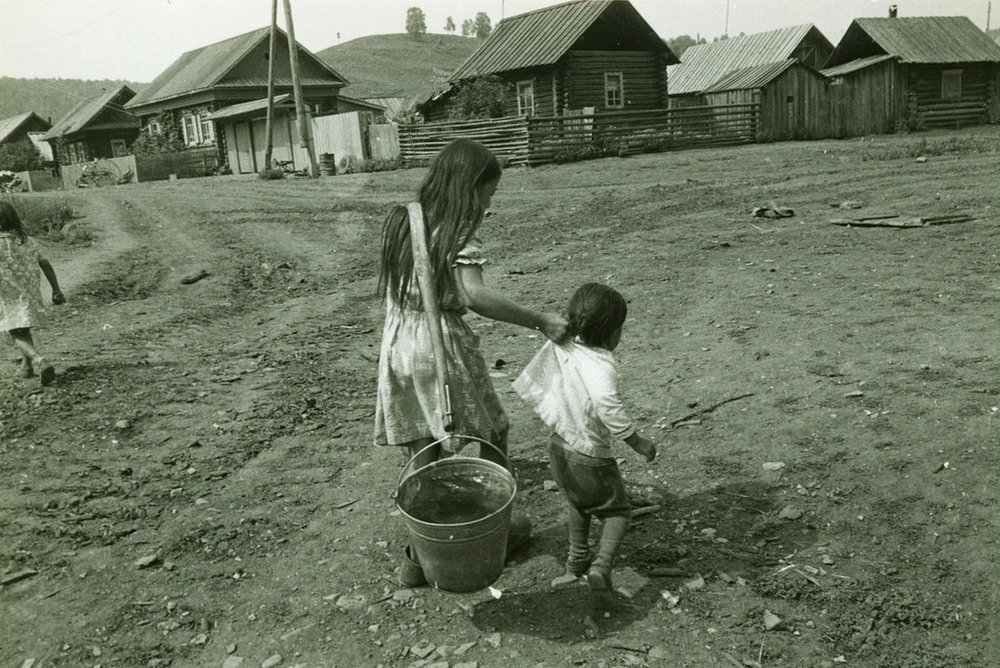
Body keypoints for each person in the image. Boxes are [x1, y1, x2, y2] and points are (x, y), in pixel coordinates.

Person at [374, 139, 568, 586]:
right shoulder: (457, 231)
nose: (488, 203)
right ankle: (490, 529)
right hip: (439, 342)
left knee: (422, 443)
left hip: (399, 342)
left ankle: (421, 555)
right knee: (492, 431)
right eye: (489, 194)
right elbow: (474, 295)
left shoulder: (405, 218)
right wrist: (539, 319)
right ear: (470, 187)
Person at [513, 282, 657, 610]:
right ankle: (601, 568)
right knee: (618, 511)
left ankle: (575, 564)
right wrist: (636, 441)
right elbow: (607, 404)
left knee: (579, 504)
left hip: (558, 447)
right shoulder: (601, 365)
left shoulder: (561, 344)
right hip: (589, 455)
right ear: (611, 335)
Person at [0, 201, 65, 386]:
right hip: (29, 293)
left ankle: (39, 361)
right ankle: (26, 368)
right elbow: (45, 264)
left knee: (16, 333)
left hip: (7, 296)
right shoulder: (27, 240)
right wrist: (56, 289)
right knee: (23, 328)